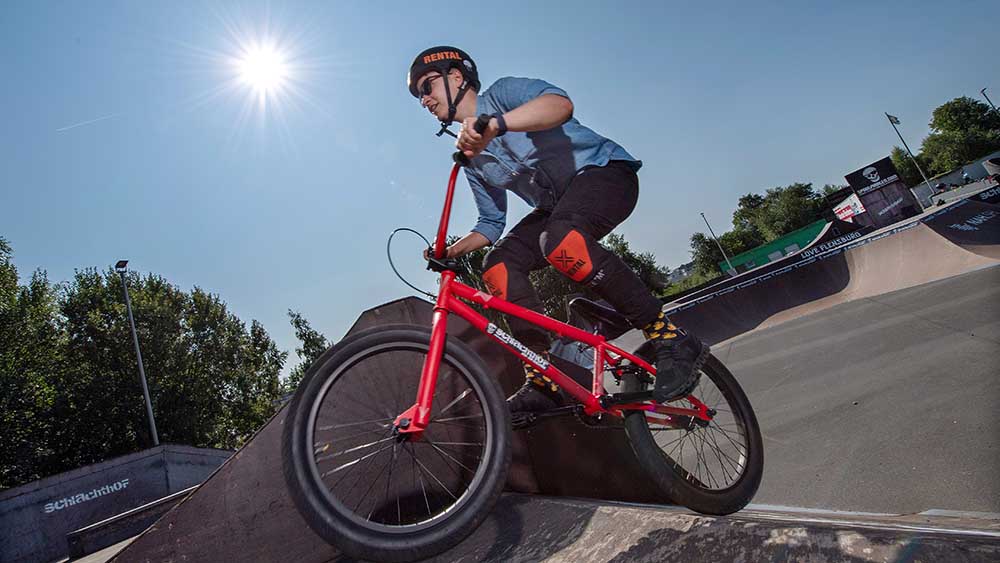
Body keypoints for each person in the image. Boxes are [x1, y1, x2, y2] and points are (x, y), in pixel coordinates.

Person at [407, 46, 708, 416]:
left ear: (457, 77)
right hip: (558, 207)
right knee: (498, 265)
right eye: (418, 95)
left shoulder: (503, 94)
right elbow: (490, 224)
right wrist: (450, 252)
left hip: (605, 176)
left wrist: (497, 124)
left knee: (559, 240)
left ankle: (669, 337)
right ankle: (543, 378)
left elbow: (559, 105)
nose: (423, 100)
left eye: (427, 86)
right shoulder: (473, 160)